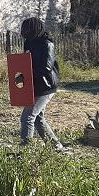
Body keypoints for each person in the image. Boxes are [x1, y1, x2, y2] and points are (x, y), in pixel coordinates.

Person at [21, 17, 64, 151]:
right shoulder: (28, 43)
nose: (23, 31)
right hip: (34, 84)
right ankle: (56, 146)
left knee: (27, 116)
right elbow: (26, 61)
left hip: (46, 86)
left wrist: (28, 73)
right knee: (38, 118)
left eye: (26, 28)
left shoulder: (47, 44)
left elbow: (46, 68)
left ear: (33, 29)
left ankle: (26, 150)